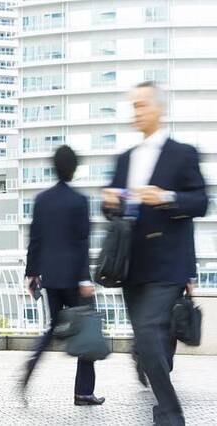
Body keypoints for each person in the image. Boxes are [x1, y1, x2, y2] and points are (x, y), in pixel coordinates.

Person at [103, 81, 207, 426]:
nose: (137, 112)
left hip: (168, 264)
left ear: (159, 108)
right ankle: (159, 389)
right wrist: (110, 204)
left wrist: (166, 197)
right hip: (131, 266)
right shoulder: (124, 159)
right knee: (148, 338)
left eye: (142, 105)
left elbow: (201, 201)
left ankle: (170, 413)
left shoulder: (183, 153)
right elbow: (115, 215)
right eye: (133, 106)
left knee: (147, 332)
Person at [22, 145, 105, 406]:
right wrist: (84, 279)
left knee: (52, 328)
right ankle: (83, 392)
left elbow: (35, 239)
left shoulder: (42, 200)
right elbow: (82, 242)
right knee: (87, 329)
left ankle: (30, 367)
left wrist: (32, 273)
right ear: (73, 169)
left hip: (50, 277)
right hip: (73, 277)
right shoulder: (79, 201)